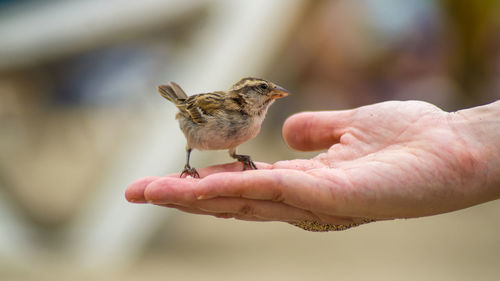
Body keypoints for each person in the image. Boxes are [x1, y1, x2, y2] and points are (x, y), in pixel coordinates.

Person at [125, 100, 500, 231]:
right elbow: (190, 115)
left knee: (242, 164)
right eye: (263, 92)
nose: (271, 99)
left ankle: (237, 158)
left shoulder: (252, 122)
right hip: (195, 135)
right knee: (193, 155)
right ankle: (190, 165)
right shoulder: (216, 109)